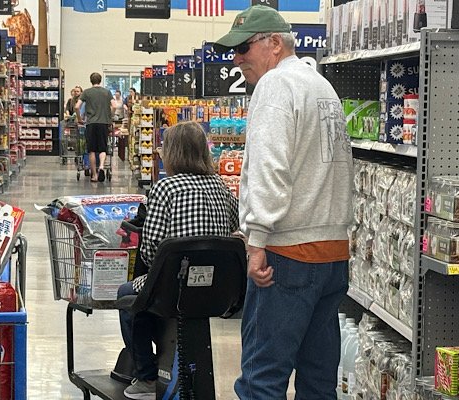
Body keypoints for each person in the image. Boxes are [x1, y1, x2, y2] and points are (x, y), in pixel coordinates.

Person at [214, 5, 353, 399]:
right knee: (318, 380)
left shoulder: (275, 86)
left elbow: (268, 168)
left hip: (287, 255)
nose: (237, 59)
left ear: (275, 43)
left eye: (243, 47)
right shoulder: (320, 86)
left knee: (262, 379)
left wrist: (255, 243)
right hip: (332, 254)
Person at [117, 121, 239, 399]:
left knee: (128, 296)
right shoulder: (222, 187)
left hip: (173, 285)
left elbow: (150, 251)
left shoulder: (165, 189)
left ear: (172, 153)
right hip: (216, 290)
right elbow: (232, 230)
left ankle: (147, 377)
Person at [76, 73, 115, 182]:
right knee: (103, 149)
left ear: (91, 81)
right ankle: (101, 167)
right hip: (104, 123)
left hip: (91, 124)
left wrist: (79, 119)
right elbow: (115, 106)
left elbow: (77, 106)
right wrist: (110, 116)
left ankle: (94, 175)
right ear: (100, 80)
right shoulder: (107, 92)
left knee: (92, 150)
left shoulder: (86, 92)